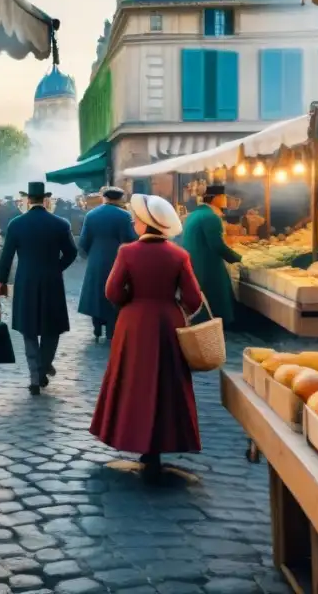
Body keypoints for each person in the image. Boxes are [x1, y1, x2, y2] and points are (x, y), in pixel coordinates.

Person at [90, 194, 203, 480]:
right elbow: (193, 297)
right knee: (167, 382)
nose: (133, 222)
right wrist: (173, 307)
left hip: (135, 323)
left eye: (135, 218)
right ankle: (161, 443)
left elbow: (112, 292)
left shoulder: (127, 252)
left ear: (145, 223)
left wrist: (132, 299)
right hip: (168, 323)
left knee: (132, 380)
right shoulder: (179, 255)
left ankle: (136, 438)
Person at [0, 182, 77, 395]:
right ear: (46, 200)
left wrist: (1, 280)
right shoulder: (60, 223)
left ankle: (34, 376)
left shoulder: (16, 223)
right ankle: (43, 367)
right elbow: (71, 252)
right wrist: (57, 267)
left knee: (28, 328)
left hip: (26, 280)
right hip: (52, 280)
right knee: (52, 327)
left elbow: (6, 256)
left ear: (28, 200)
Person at [78, 186, 138, 343]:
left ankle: (97, 327)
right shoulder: (124, 216)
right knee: (116, 291)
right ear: (119, 199)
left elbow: (84, 240)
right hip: (118, 258)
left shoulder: (91, 215)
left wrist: (86, 254)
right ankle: (112, 329)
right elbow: (130, 238)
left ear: (104, 198)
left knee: (97, 291)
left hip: (96, 258)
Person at [182, 185, 241, 326]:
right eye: (224, 196)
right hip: (207, 264)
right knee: (216, 295)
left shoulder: (195, 214)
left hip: (195, 262)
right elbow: (217, 245)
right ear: (216, 198)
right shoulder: (210, 217)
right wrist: (239, 259)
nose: (226, 199)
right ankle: (220, 325)